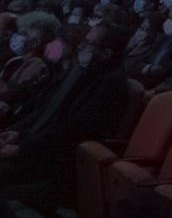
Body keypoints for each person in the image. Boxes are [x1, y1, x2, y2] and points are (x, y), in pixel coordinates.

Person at [0, 24, 131, 214]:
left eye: (88, 43)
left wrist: (22, 149)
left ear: (107, 53)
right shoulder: (79, 71)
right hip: (35, 147)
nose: (81, 46)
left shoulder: (110, 83)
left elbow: (73, 130)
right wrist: (18, 133)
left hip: (55, 164)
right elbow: (46, 109)